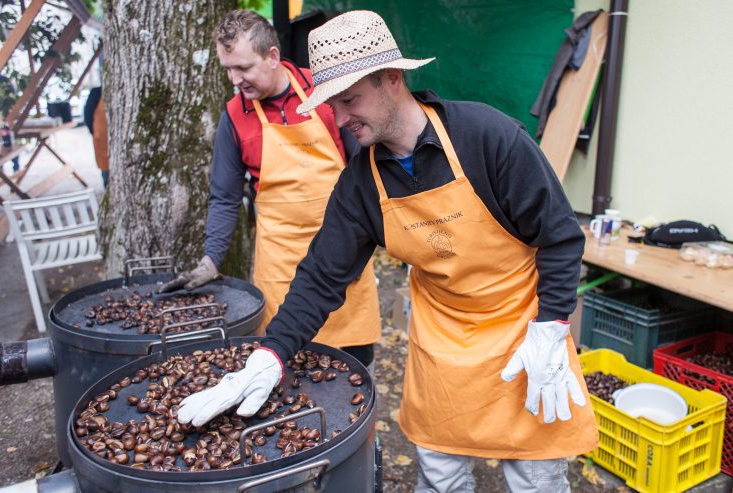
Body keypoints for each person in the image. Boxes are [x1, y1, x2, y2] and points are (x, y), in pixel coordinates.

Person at [177, 10, 598, 492]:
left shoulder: (488, 138)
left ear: (392, 78)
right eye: (331, 104)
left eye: (350, 99)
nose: (338, 118)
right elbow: (320, 277)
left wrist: (551, 326)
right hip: (444, 346)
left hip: (526, 337)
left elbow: (561, 236)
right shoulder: (361, 183)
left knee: (536, 478)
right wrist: (269, 356)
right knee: (440, 478)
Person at [159, 10, 381, 368]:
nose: (235, 79)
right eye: (228, 69)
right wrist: (210, 259)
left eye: (243, 68)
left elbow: (367, 165)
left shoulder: (324, 91)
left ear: (273, 56)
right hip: (281, 268)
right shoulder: (233, 116)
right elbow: (225, 196)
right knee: (288, 372)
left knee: (355, 374)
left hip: (344, 254)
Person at [83, 86, 109, 187]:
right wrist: (96, 133)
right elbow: (88, 115)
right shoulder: (97, 92)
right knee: (106, 170)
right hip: (103, 140)